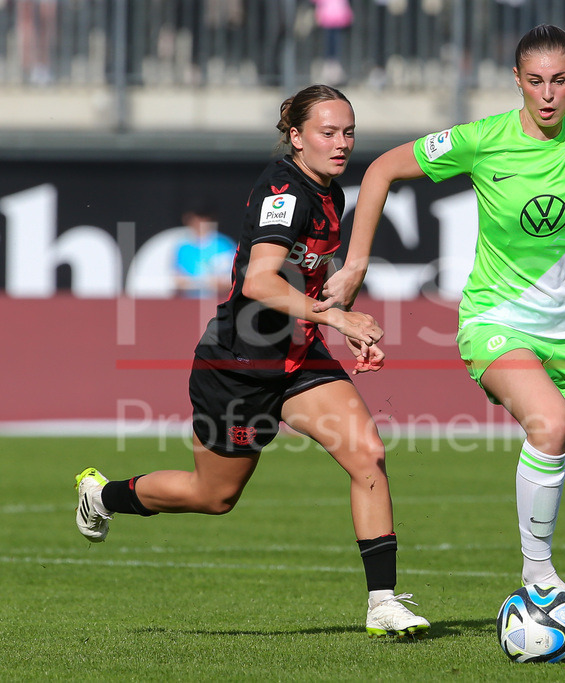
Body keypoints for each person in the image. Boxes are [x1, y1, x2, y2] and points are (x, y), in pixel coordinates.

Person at [315, 24, 565, 649]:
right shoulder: (484, 138)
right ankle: (540, 577)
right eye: (535, 81)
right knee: (547, 422)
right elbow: (385, 169)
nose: (547, 95)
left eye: (558, 80)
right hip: (495, 323)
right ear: (517, 82)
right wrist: (355, 266)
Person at [75, 84, 430, 639]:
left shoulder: (330, 194)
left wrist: (347, 318)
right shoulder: (282, 192)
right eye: (327, 133)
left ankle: (382, 602)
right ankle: (102, 495)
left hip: (299, 359)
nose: (342, 144)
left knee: (368, 455)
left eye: (349, 132)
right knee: (213, 496)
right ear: (296, 137)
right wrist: (336, 320)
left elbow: (310, 278)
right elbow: (259, 280)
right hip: (237, 367)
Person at [172, 201, 236, 299]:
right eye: (195, 219)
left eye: (203, 219)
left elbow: (232, 280)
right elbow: (178, 281)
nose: (199, 223)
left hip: (219, 301)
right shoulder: (183, 247)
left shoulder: (224, 245)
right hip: (190, 303)